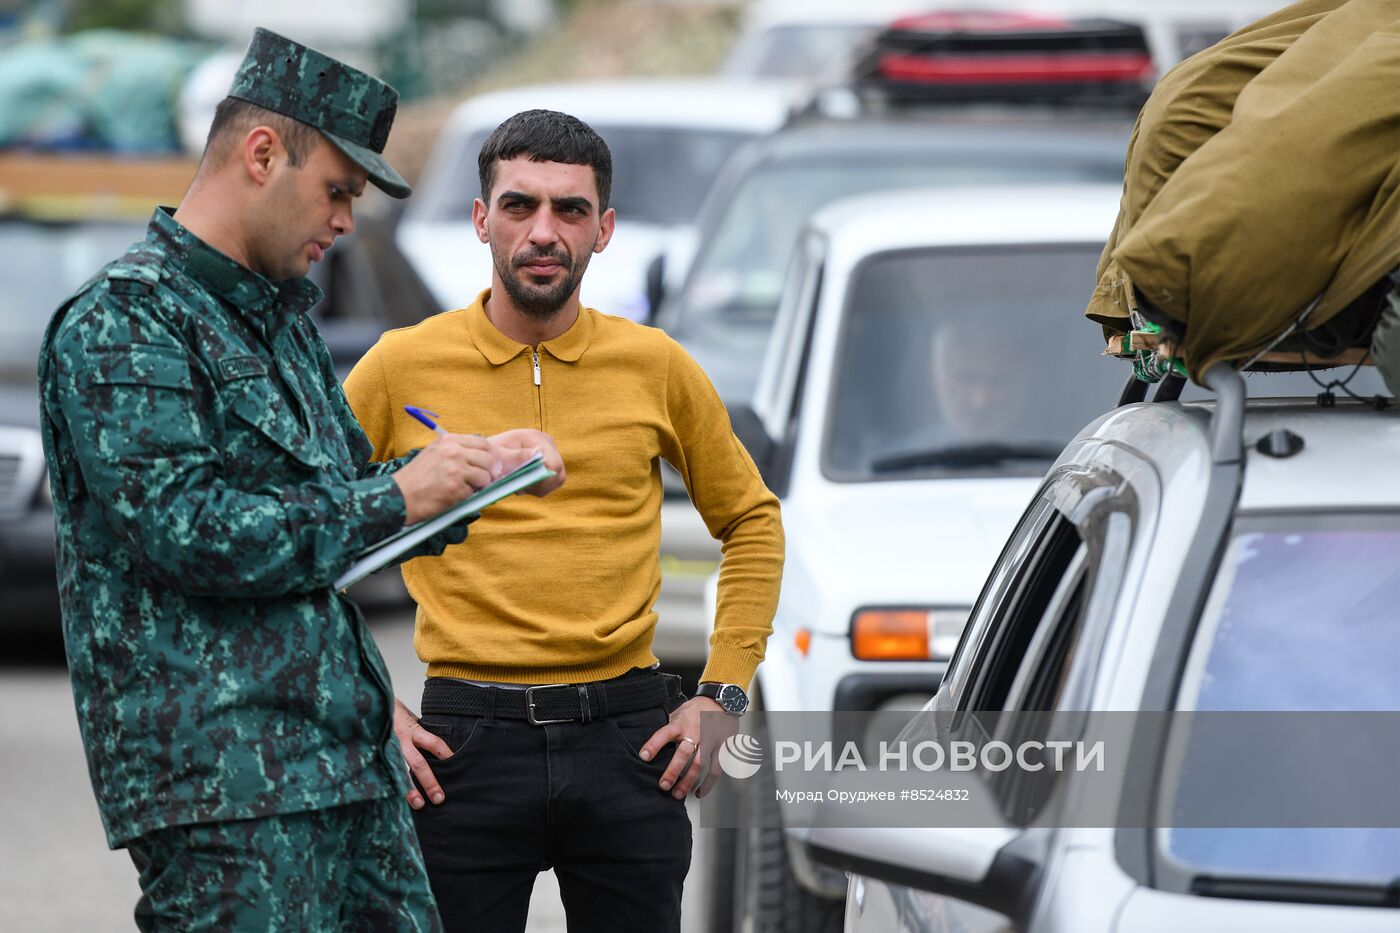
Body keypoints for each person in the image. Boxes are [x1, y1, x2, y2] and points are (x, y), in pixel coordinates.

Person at [37, 29, 562, 931]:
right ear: (261, 153)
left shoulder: (282, 324)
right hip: (225, 795)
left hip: (343, 764)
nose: (347, 221)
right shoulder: (125, 324)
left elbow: (339, 517)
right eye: (337, 191)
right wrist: (399, 493)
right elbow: (191, 532)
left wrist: (472, 476)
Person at [342, 109, 786, 933]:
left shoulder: (655, 365)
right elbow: (300, 532)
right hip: (461, 745)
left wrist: (723, 690)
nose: (544, 231)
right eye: (520, 206)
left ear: (604, 229)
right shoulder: (401, 364)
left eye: (570, 210)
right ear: (482, 219)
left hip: (628, 740)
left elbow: (753, 520)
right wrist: (365, 704)